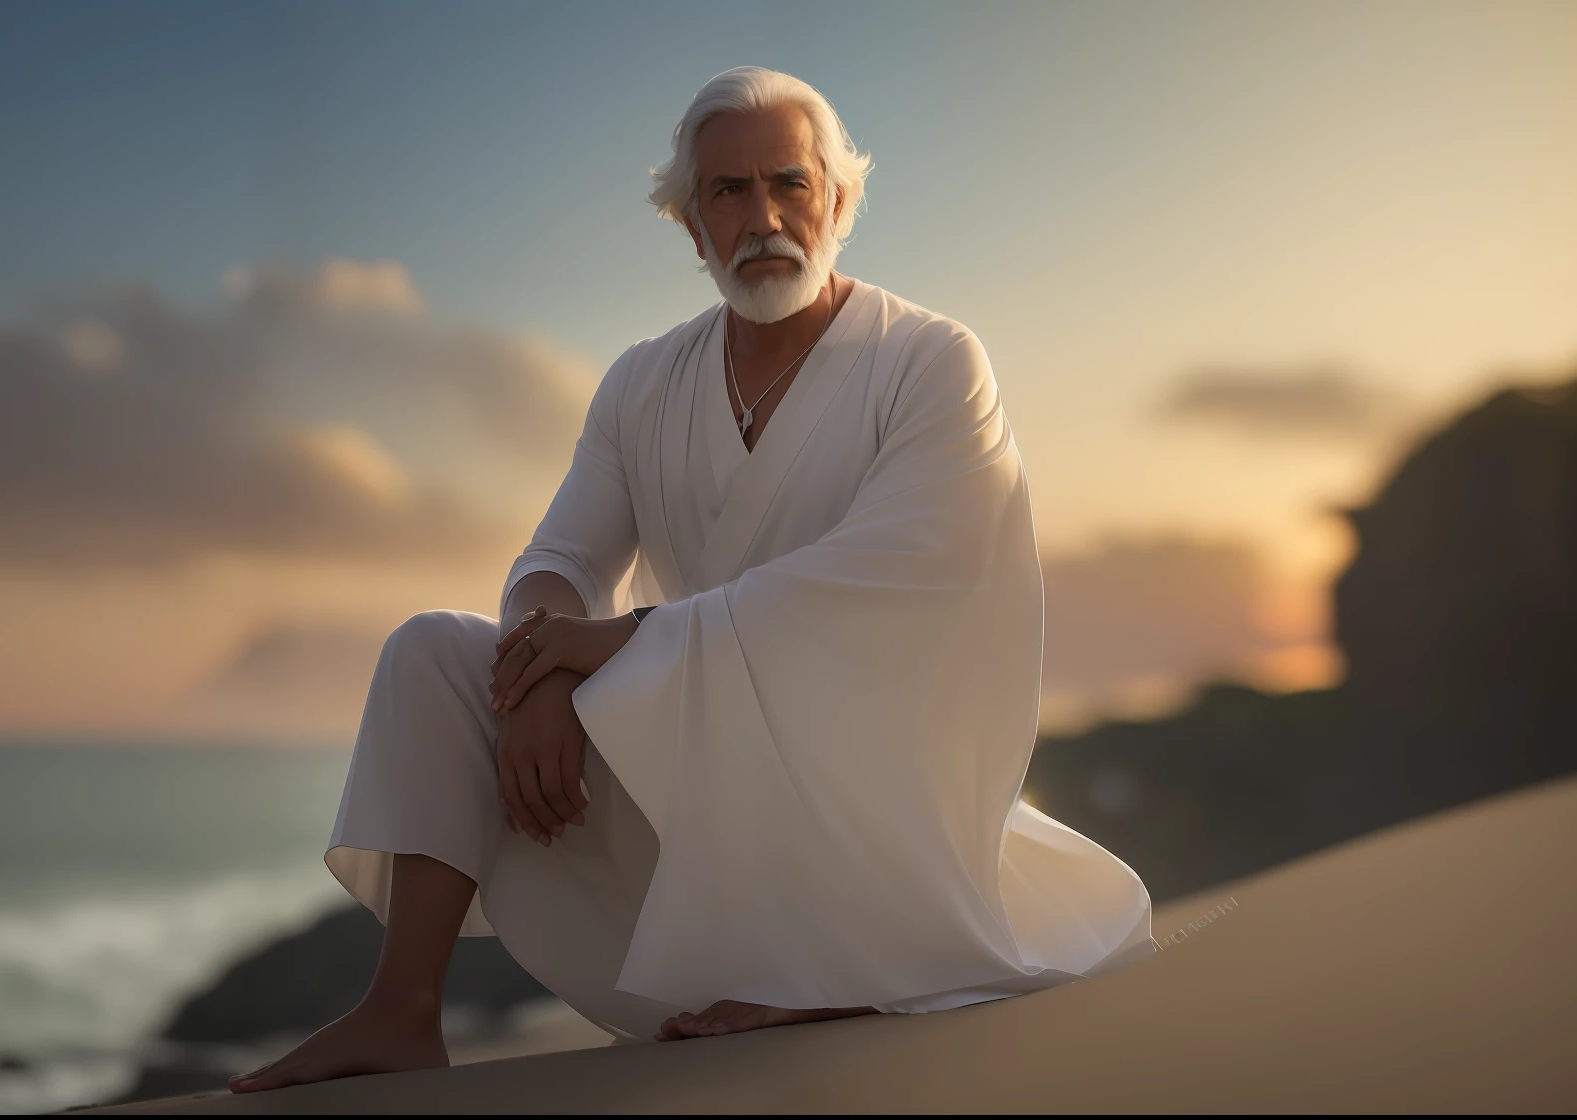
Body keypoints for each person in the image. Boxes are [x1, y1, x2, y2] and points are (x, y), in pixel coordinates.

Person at [231, 65, 1151, 1094]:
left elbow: (890, 585)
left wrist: (619, 643)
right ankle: (399, 1009)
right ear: (690, 226)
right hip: (690, 777)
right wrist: (537, 673)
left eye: (787, 184)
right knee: (432, 655)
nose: (761, 217)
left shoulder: (931, 361)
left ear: (837, 201)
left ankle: (841, 968)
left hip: (869, 798)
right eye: (726, 192)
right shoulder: (642, 380)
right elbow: (561, 560)